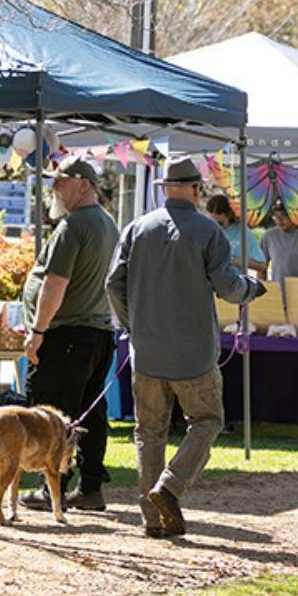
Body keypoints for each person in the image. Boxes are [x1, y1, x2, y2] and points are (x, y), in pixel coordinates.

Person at [105, 158, 263, 539]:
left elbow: (113, 284)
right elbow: (228, 287)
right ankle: (170, 486)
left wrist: (133, 324)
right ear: (196, 189)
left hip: (147, 351)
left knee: (149, 432)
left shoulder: (137, 228)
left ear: (163, 188)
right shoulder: (207, 231)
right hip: (194, 353)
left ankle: (151, 518)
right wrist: (252, 288)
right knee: (207, 422)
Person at [19, 158, 120, 512]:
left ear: (84, 184)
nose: (54, 187)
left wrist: (37, 331)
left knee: (52, 414)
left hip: (66, 334)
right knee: (91, 414)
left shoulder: (73, 226)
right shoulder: (108, 224)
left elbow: (55, 284)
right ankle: (90, 486)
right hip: (96, 331)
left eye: (61, 181)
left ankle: (53, 488)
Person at [205, 194, 268, 277]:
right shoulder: (205, 231)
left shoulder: (242, 232)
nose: (216, 227)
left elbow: (262, 266)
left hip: (234, 285)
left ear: (229, 215)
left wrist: (234, 260)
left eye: (220, 223)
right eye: (212, 222)